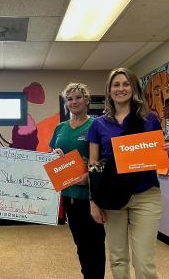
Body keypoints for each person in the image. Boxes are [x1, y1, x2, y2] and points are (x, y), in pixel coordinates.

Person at [88, 68, 169, 279]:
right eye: (116, 85)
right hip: (112, 197)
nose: (121, 88)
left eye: (125, 84)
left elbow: (158, 159)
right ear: (109, 90)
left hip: (145, 195)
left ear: (134, 88)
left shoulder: (149, 120)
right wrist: (93, 201)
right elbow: (94, 166)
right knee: (118, 259)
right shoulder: (98, 124)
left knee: (144, 262)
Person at [50, 83, 106, 279]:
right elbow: (51, 154)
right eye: (70, 99)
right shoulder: (60, 128)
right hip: (68, 194)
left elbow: (105, 158)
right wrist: (54, 154)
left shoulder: (97, 124)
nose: (74, 102)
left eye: (78, 97)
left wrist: (90, 176)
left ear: (87, 100)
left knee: (95, 244)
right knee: (80, 243)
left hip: (91, 195)